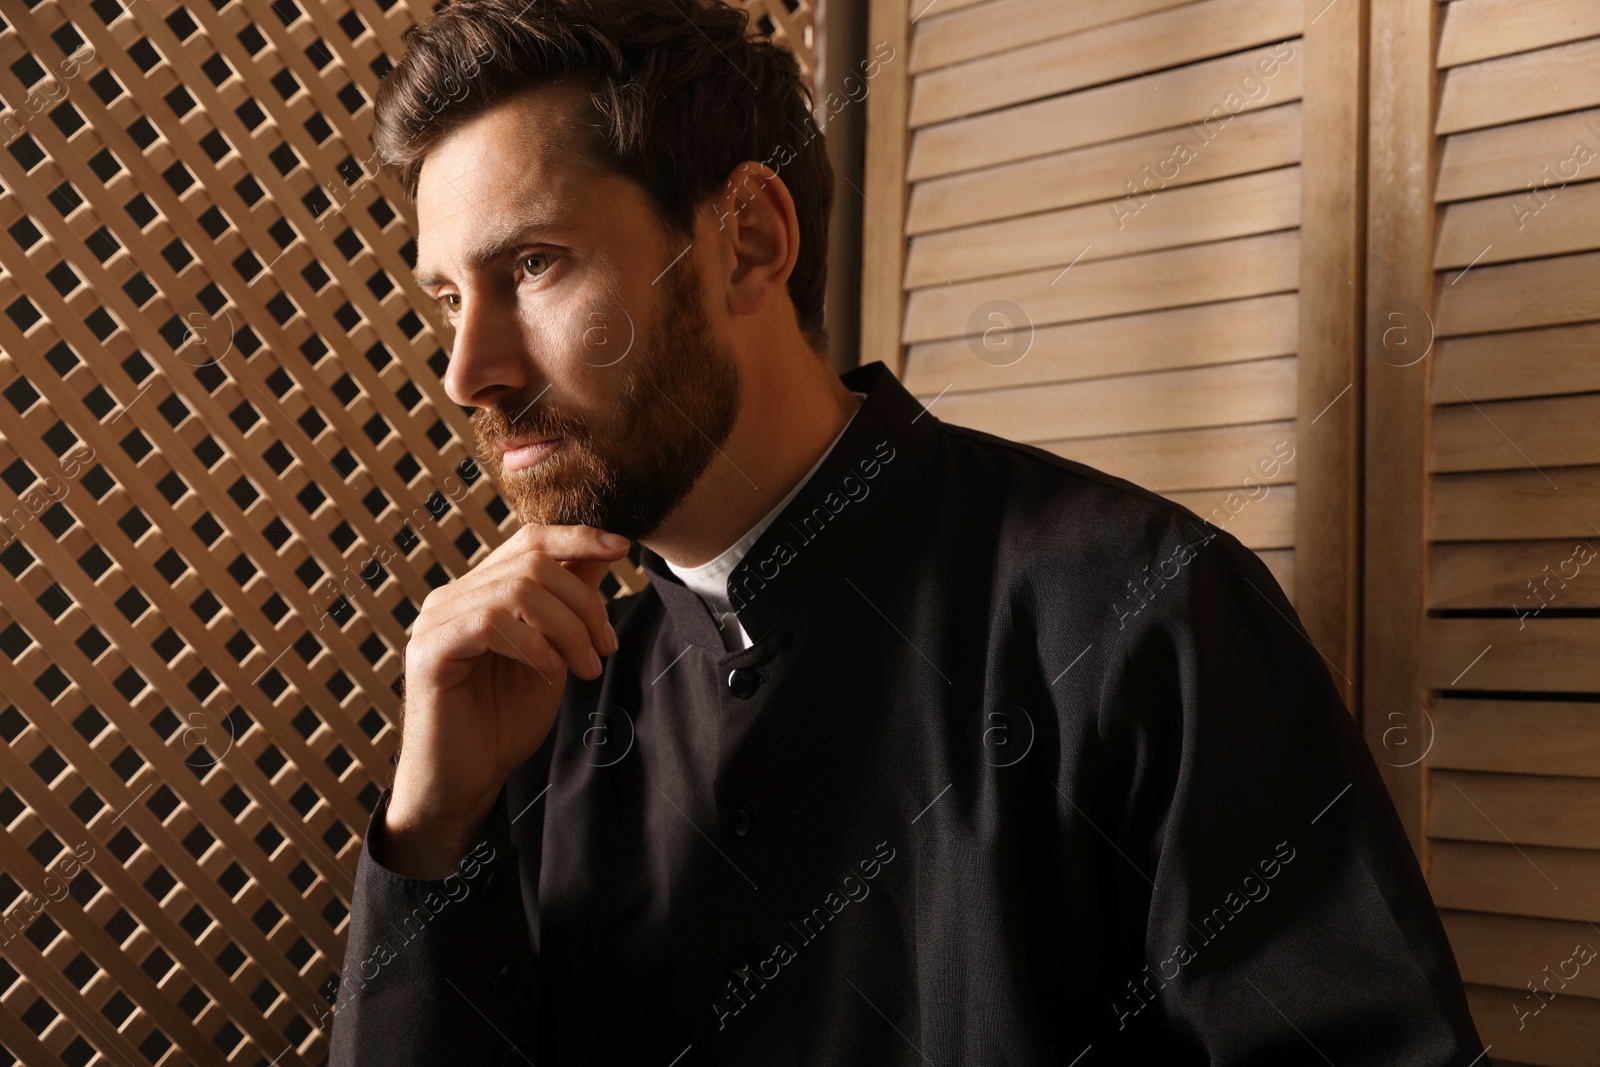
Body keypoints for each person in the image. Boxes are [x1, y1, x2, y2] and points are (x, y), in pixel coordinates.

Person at [329, 1, 1483, 1063]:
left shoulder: (1146, 614)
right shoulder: (540, 700)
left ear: (748, 240)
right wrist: (433, 834)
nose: (465, 371)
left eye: (531, 265)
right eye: (446, 298)